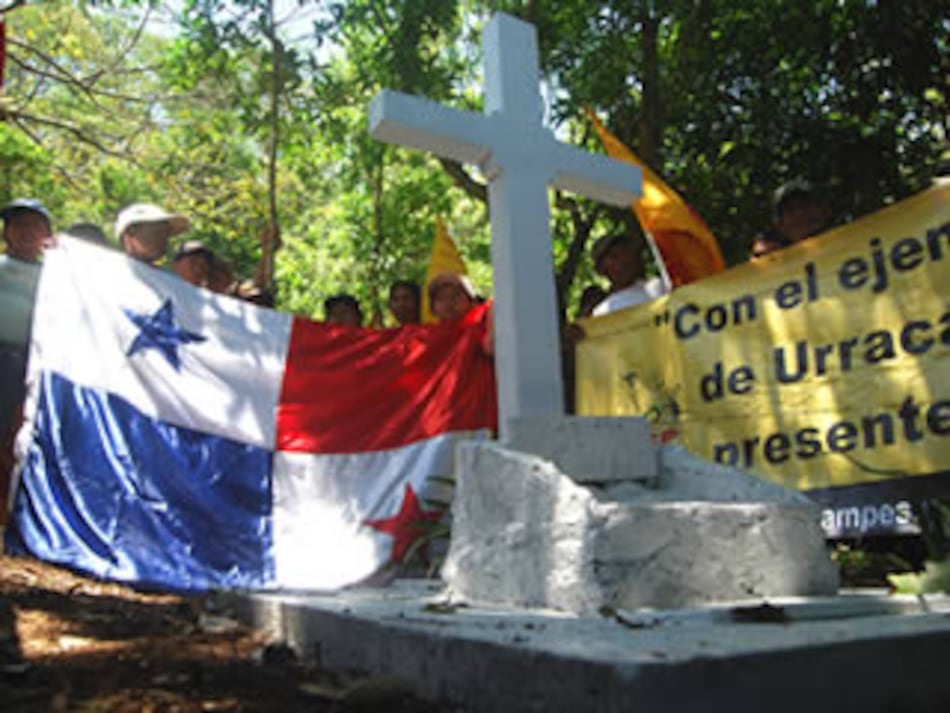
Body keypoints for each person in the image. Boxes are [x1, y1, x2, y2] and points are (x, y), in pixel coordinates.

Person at [589, 233, 667, 316]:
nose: (625, 259)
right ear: (603, 269)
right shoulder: (602, 312)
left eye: (625, 251)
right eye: (614, 256)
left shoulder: (658, 286)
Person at [115, 203, 189, 265]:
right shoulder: (111, 272)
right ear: (131, 231)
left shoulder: (171, 279)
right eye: (157, 232)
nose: (163, 240)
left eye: (166, 234)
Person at [771, 179, 832, 245]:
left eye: (806, 205)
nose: (800, 212)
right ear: (780, 225)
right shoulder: (773, 254)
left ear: (825, 210)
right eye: (790, 209)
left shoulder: (843, 242)